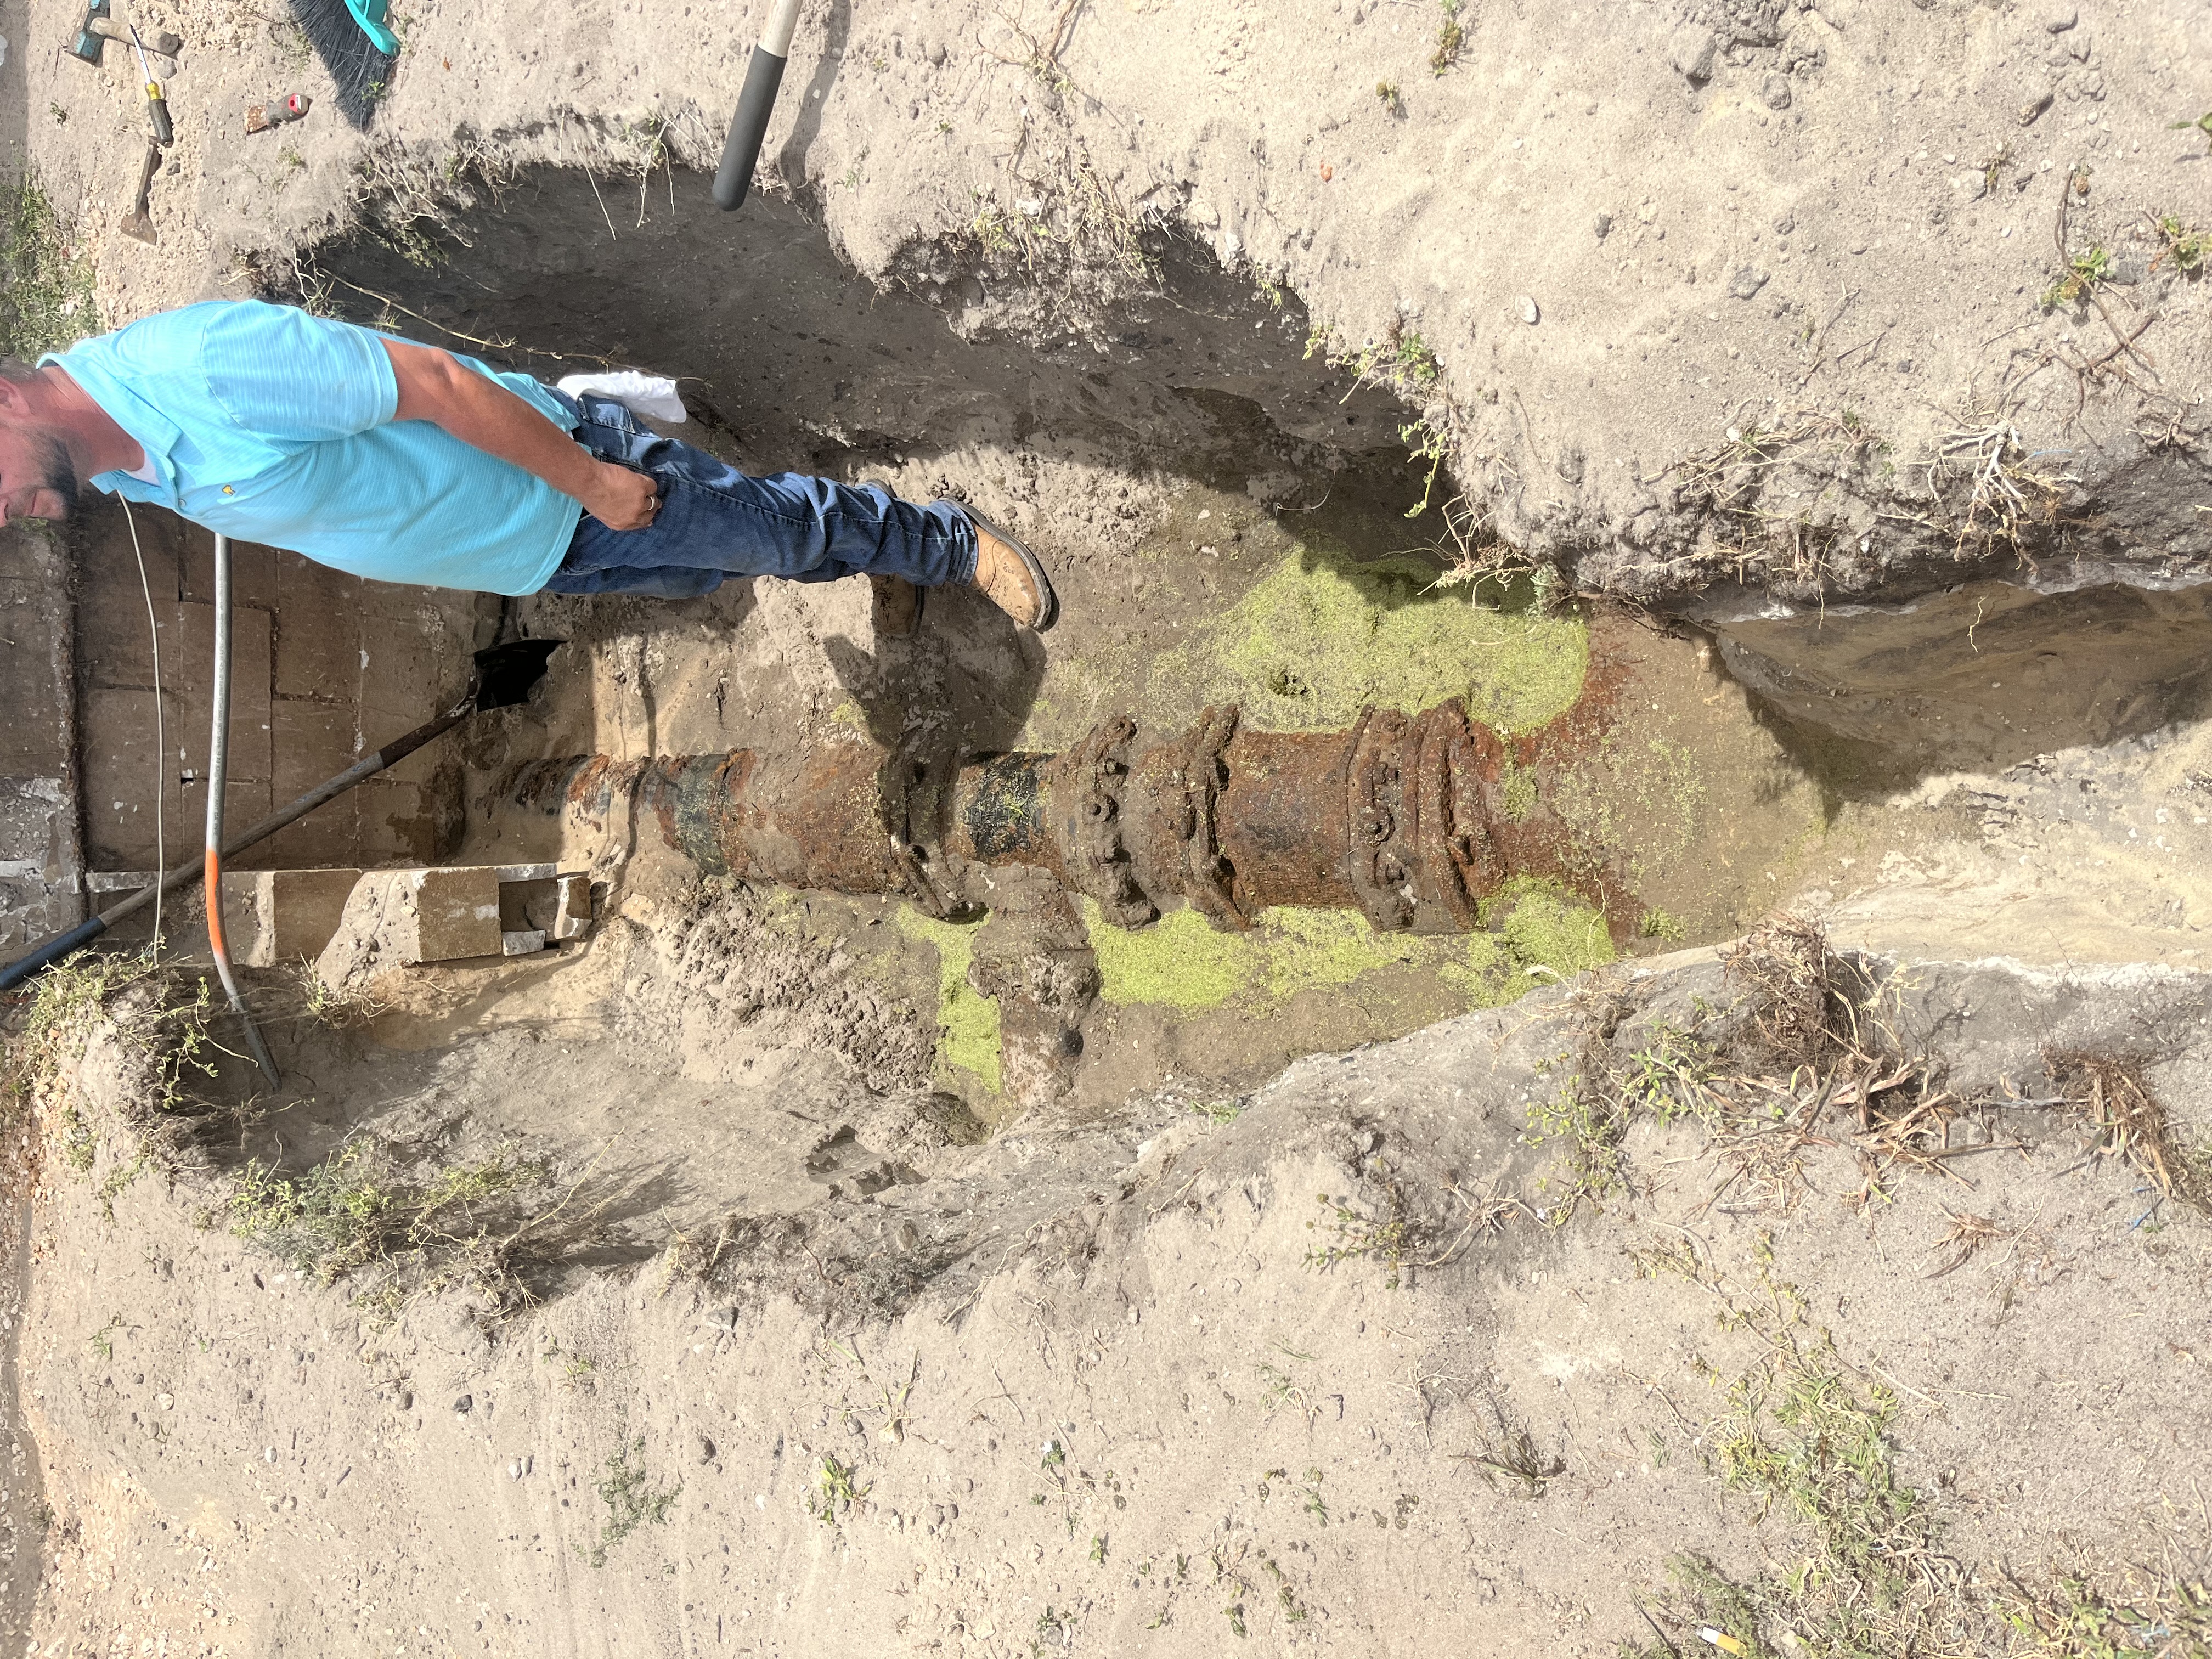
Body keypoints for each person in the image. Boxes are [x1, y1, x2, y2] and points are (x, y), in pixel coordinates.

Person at [0, 298, 1057, 635]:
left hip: (567, 489)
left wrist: (593, 482)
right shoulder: (124, 471)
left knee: (773, 530)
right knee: (733, 562)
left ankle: (944, 544)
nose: (4, 513)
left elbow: (436, 385)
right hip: (532, 555)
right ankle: (867, 558)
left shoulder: (196, 369)